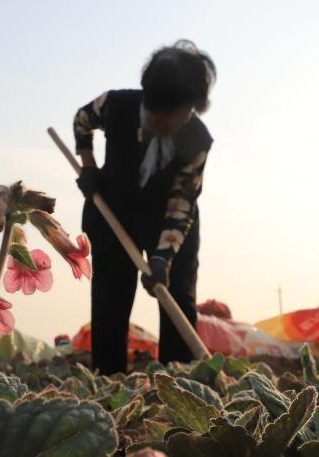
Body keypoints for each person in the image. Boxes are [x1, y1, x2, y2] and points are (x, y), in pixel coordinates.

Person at [73, 40, 216, 375]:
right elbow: (81, 121)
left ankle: (178, 380)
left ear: (191, 109)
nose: (161, 121)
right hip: (112, 210)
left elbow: (182, 202)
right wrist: (90, 167)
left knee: (177, 291)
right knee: (110, 295)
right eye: (155, 113)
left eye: (173, 116)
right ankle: (108, 379)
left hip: (166, 219)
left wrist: (163, 257)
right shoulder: (116, 105)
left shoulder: (196, 140)